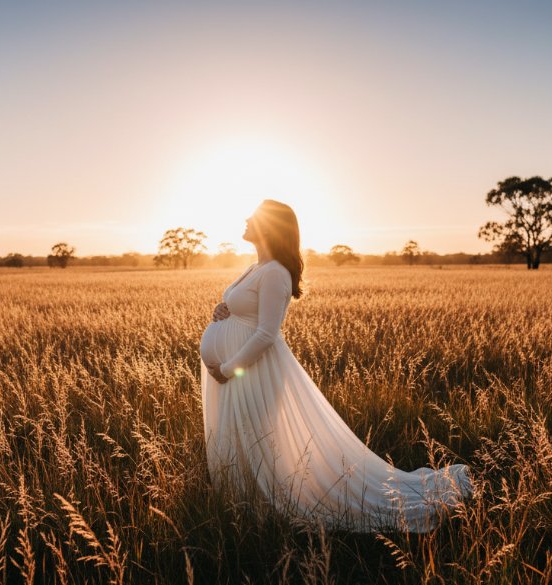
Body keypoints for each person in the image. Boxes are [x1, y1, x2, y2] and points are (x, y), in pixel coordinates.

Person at [199, 199, 473, 533]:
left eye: (253, 217)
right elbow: (246, 312)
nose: (245, 218)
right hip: (234, 370)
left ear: (270, 227)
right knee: (241, 435)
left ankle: (264, 509)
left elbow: (267, 333)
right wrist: (222, 311)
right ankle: (246, 505)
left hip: (252, 371)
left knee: (257, 437)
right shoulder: (256, 267)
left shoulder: (275, 273)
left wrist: (228, 368)